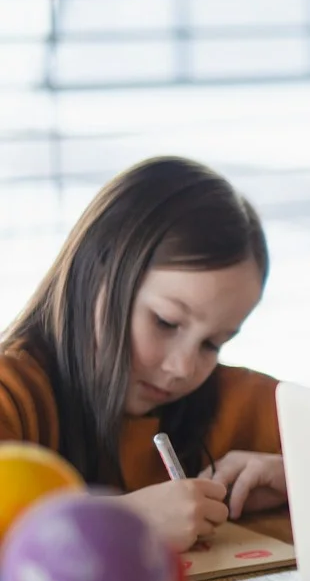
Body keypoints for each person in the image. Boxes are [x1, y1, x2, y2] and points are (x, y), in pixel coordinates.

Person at [1, 157, 283, 552]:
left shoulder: (227, 398)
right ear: (98, 275)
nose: (183, 368)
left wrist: (298, 475)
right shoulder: (12, 393)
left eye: (212, 343)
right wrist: (120, 523)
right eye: (166, 322)